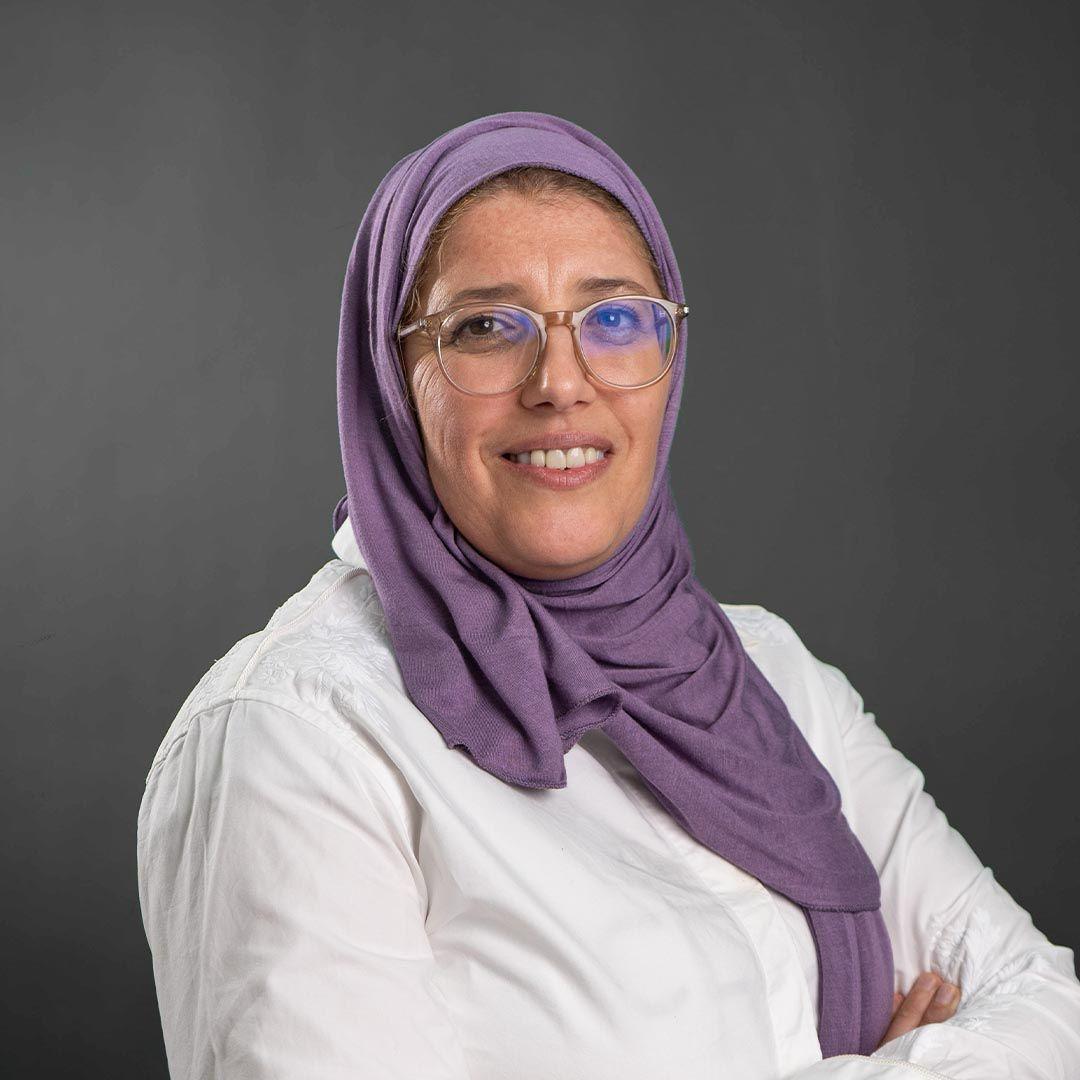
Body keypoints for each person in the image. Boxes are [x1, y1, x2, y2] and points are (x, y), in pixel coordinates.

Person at [136, 111, 1080, 1079]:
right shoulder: (296, 734)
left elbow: (1052, 1008)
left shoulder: (770, 677)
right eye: (484, 327)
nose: (561, 382)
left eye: (616, 319)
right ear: (392, 377)